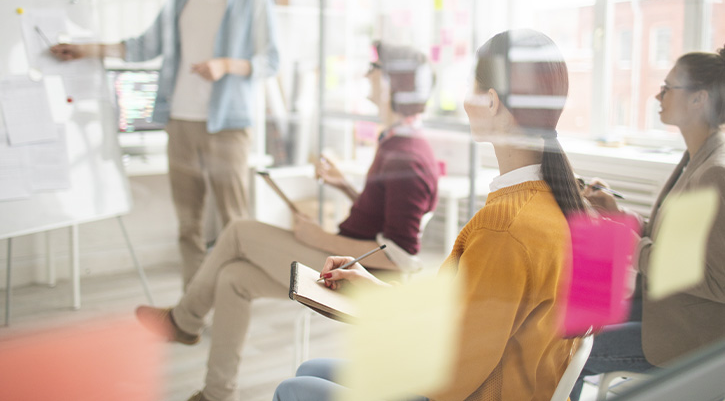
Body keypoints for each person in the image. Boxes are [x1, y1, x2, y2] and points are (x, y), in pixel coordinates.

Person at [274, 29, 587, 401]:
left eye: (470, 85)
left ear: (491, 101)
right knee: (310, 373)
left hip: (472, 391)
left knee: (294, 389)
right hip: (498, 381)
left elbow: (452, 375)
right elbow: (466, 318)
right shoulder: (553, 201)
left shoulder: (504, 228)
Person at [135, 42, 440, 401]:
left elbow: (398, 258)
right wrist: (344, 186)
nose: (366, 74)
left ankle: (184, 322)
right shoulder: (398, 143)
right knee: (233, 278)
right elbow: (385, 227)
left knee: (238, 231)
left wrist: (318, 237)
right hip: (344, 264)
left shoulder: (407, 156)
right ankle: (216, 394)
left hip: (357, 279)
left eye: (374, 67)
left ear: (393, 83)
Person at [50, 0, 280, 289]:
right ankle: (190, 311)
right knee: (188, 225)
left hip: (229, 127)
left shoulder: (253, 0)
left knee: (236, 224)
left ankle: (235, 301)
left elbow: (270, 60)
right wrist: (85, 49)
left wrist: (226, 64)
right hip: (181, 122)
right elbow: (143, 46)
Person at [569, 46, 725, 400]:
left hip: (689, 336)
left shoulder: (716, 172)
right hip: (663, 310)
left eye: (668, 88)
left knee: (568, 352)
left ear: (699, 99)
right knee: (570, 323)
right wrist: (622, 217)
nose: (658, 95)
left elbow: (718, 280)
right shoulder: (695, 158)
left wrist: (632, 244)